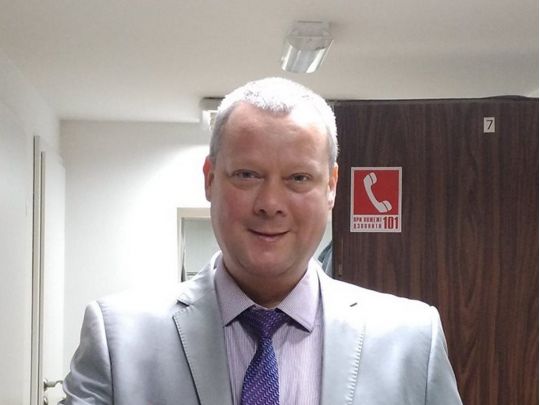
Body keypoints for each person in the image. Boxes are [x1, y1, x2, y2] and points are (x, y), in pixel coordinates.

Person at [62, 77, 463, 404]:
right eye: (247, 175)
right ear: (210, 179)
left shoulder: (411, 342)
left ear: (331, 186)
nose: (270, 204)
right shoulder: (118, 341)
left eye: (298, 178)